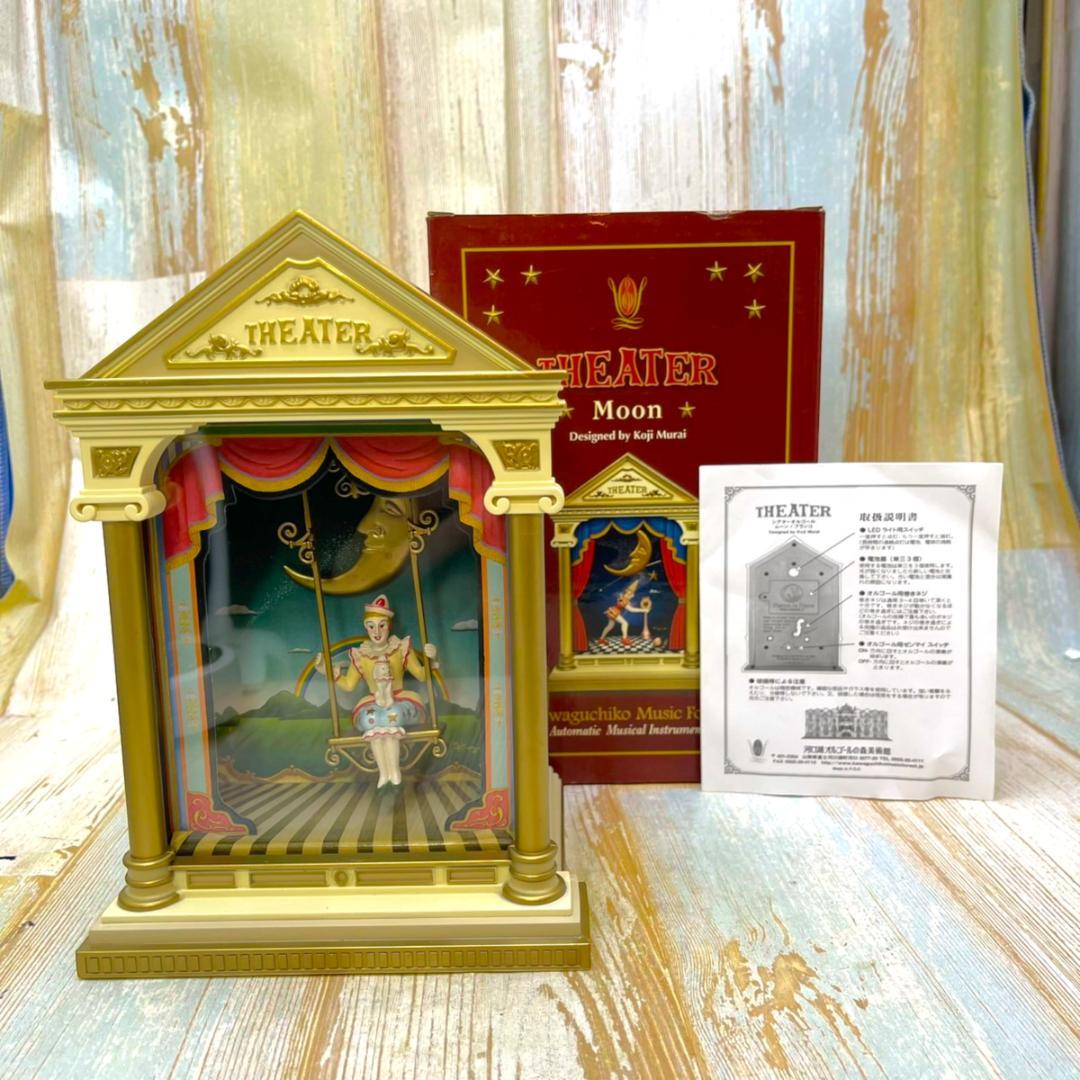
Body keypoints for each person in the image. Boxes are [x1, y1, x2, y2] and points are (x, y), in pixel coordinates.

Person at [315, 594, 438, 793]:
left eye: (382, 625)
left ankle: (395, 775)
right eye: (371, 626)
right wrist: (327, 672)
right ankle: (384, 775)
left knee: (392, 717)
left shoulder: (400, 649)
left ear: (389, 626)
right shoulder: (362, 655)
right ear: (366, 628)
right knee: (371, 722)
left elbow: (422, 676)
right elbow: (349, 685)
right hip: (374, 702)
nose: (377, 631)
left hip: (400, 700)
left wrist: (431, 660)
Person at [597, 578, 648, 646]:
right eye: (629, 594)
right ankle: (624, 639)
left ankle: (601, 639)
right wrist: (643, 610)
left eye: (631, 594)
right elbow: (631, 610)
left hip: (611, 611)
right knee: (625, 623)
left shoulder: (623, 598)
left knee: (610, 626)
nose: (631, 595)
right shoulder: (623, 600)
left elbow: (627, 604)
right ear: (626, 592)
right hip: (614, 612)